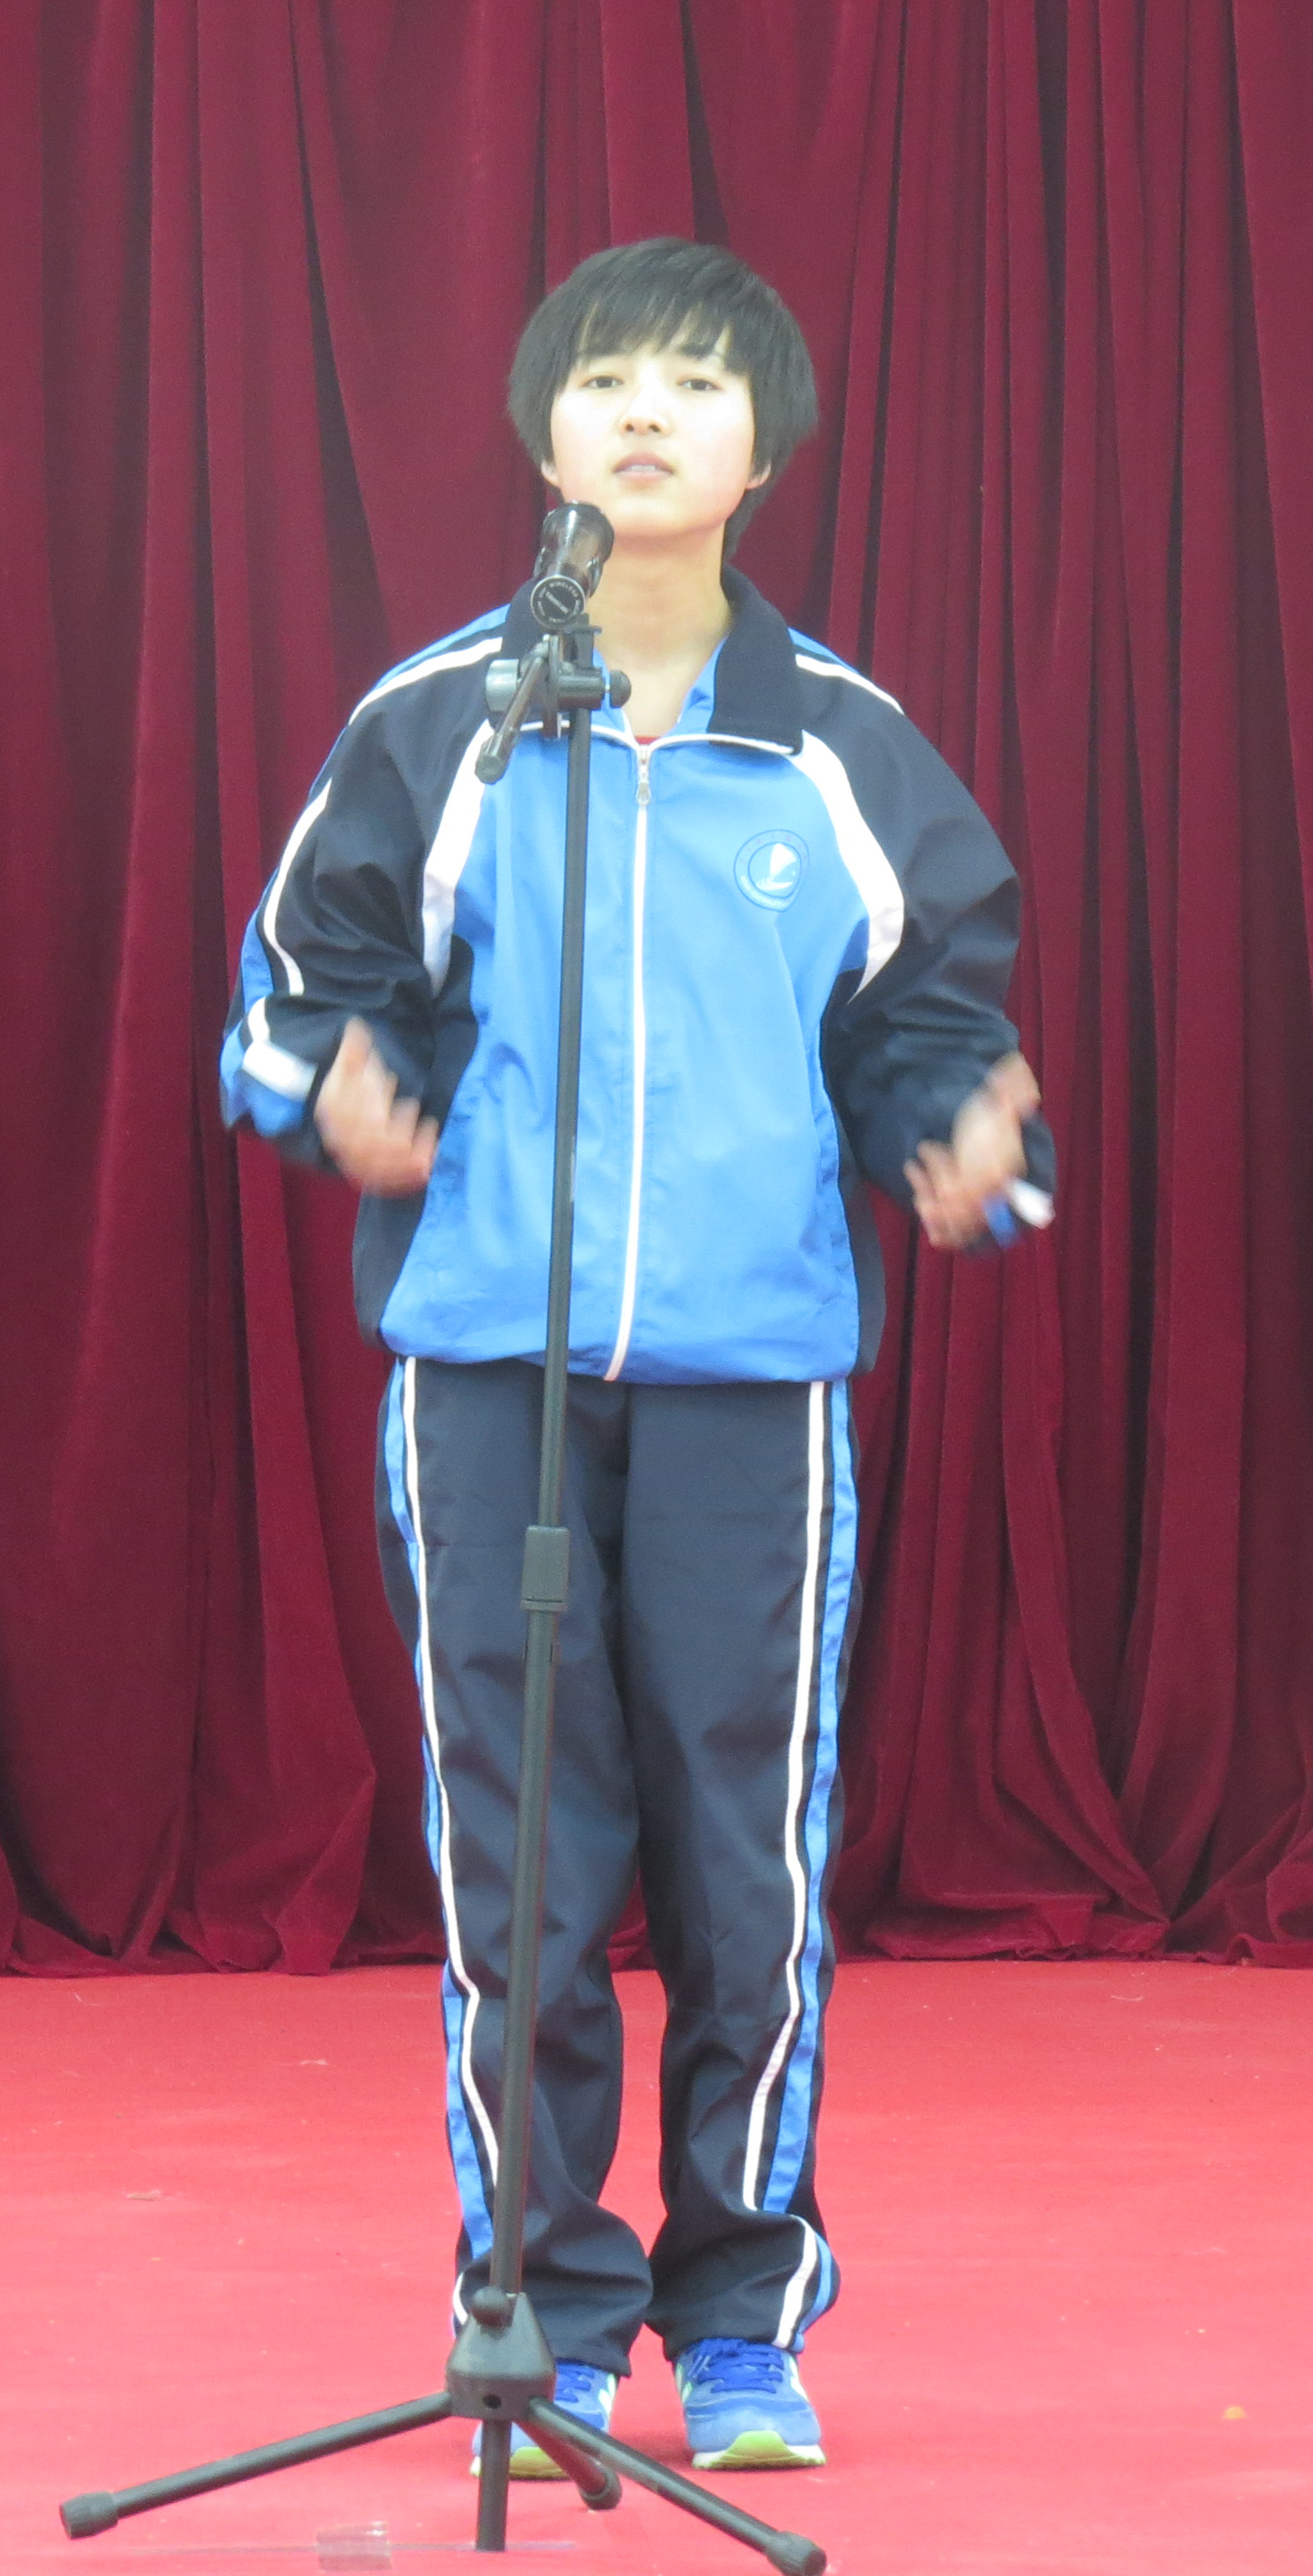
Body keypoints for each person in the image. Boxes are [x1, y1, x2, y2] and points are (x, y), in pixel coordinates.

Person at [222, 238, 1053, 2477]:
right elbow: (304, 986)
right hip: (487, 1371)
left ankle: (743, 2308)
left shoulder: (846, 747)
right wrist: (335, 1087)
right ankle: (541, 2307)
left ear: (766, 449)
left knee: (742, 1853)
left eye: (697, 381)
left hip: (750, 1383)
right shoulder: (442, 721)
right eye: (608, 379)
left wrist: (964, 1137)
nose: (650, 412)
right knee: (523, 1864)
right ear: (544, 429)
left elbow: (930, 1021)